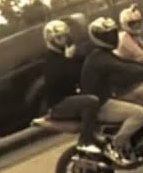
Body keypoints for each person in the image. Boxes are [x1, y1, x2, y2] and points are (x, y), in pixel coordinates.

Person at [80, 16, 143, 164]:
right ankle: (115, 145)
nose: (112, 38)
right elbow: (122, 67)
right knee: (140, 114)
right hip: (101, 105)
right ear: (98, 38)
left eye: (113, 34)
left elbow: (124, 63)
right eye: (107, 35)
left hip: (108, 98)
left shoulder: (102, 54)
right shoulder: (100, 58)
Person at [41, 20, 108, 158]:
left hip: (71, 97)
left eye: (65, 36)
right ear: (50, 39)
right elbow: (59, 80)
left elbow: (83, 65)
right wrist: (68, 59)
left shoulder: (65, 54)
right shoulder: (50, 59)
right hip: (59, 103)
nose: (63, 40)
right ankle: (86, 140)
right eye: (59, 37)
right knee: (91, 101)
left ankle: (103, 134)